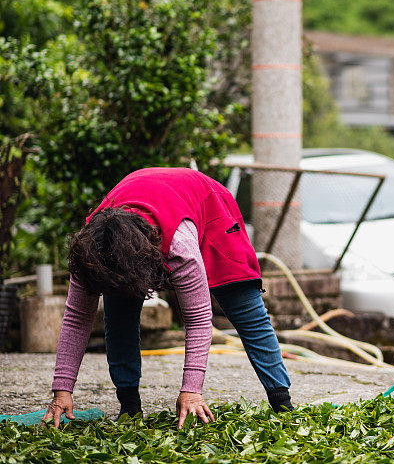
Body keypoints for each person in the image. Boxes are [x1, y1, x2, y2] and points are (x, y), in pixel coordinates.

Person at [42, 167, 293, 428]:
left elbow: (198, 319)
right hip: (135, 219)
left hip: (208, 204)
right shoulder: (91, 251)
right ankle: (129, 408)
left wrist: (192, 389)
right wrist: (62, 390)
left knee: (244, 306)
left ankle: (282, 404)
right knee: (119, 312)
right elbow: (76, 319)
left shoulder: (179, 248)